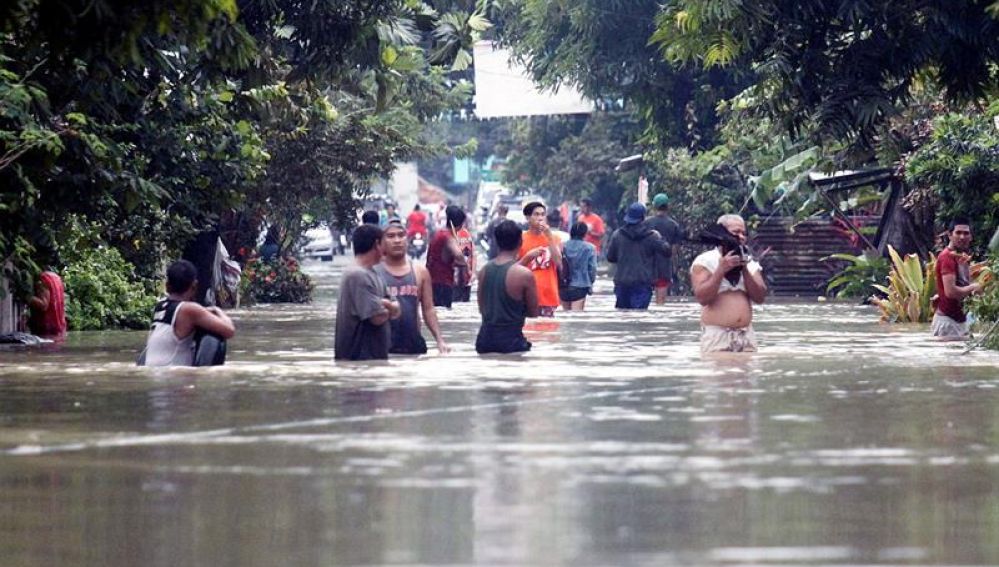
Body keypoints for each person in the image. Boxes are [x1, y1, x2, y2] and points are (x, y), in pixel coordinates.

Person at [690, 214, 767, 353]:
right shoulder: (704, 261)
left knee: (747, 374)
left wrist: (744, 268)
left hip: (746, 336)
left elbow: (760, 297)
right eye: (736, 232)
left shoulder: (750, 263)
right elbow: (702, 298)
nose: (742, 237)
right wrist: (721, 269)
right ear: (722, 234)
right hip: (717, 336)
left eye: (744, 233)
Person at [374, 220, 450, 354]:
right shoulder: (373, 273)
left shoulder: (420, 272)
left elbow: (428, 309)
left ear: (407, 240)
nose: (397, 240)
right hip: (382, 345)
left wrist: (440, 340)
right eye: (391, 236)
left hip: (413, 343)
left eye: (401, 235)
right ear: (381, 243)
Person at [142, 260, 236, 366]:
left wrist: (204, 311)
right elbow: (229, 330)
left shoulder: (160, 306)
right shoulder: (190, 310)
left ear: (167, 286)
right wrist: (217, 310)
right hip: (171, 376)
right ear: (194, 286)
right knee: (216, 336)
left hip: (153, 372)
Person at [334, 225, 401, 360]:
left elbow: (397, 310)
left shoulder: (374, 273)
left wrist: (384, 303)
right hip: (358, 361)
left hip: (373, 361)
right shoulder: (357, 275)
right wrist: (388, 306)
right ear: (377, 244)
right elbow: (377, 317)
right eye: (384, 242)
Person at [476, 220, 540, 353]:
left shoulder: (483, 271)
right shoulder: (524, 274)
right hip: (511, 342)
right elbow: (534, 313)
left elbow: (482, 308)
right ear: (520, 242)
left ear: (497, 242)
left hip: (484, 341)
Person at [606, 202, 672, 310]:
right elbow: (667, 252)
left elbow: (610, 258)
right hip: (643, 283)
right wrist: (660, 238)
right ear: (643, 218)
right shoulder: (652, 237)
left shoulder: (617, 235)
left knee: (623, 316)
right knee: (639, 319)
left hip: (622, 283)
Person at [932, 218, 982, 339]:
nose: (962, 237)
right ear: (950, 235)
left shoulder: (960, 258)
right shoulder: (946, 257)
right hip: (948, 323)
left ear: (970, 237)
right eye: (958, 232)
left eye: (966, 233)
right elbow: (951, 292)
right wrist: (973, 287)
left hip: (960, 322)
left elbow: (963, 286)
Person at [518, 201, 563, 317]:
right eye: (536, 214)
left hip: (549, 297)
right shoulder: (520, 239)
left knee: (548, 333)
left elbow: (558, 262)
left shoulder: (555, 238)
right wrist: (528, 257)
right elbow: (513, 269)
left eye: (542, 215)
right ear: (528, 218)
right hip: (527, 296)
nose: (540, 218)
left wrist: (549, 236)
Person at [645, 193, 684, 304]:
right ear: (668, 207)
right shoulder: (674, 225)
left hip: (647, 265)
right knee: (661, 301)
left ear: (654, 206)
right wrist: (673, 266)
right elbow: (675, 249)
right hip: (664, 265)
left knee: (644, 300)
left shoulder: (646, 223)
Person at [425, 205, 468, 308]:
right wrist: (464, 263)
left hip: (431, 282)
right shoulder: (448, 237)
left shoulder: (438, 233)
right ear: (459, 225)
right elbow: (460, 257)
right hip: (442, 284)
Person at [560, 222, 598, 311]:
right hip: (580, 286)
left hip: (563, 286)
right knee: (576, 316)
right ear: (584, 234)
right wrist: (590, 283)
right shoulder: (590, 248)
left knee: (565, 315)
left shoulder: (562, 246)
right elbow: (592, 269)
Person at [26, 270, 66, 337]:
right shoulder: (56, 278)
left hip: (45, 328)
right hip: (58, 327)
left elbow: (44, 305)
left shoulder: (43, 279)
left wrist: (27, 297)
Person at [454, 217, 475, 302]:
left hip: (456, 278)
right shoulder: (467, 234)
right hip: (466, 277)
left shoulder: (450, 235)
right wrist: (472, 273)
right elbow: (473, 254)